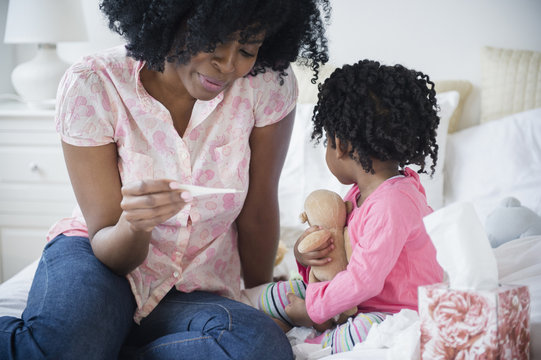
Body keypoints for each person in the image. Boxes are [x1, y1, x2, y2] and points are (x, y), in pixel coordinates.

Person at [0, 1, 331, 359]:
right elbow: (108, 246)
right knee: (69, 347)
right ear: (170, 18)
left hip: (196, 286)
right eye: (214, 40)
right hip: (102, 260)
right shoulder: (95, 84)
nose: (229, 64)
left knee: (259, 344)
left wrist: (262, 298)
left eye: (247, 49)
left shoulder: (267, 83)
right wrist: (135, 225)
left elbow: (259, 208)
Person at [259, 59, 444, 354]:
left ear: (341, 145)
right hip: (354, 303)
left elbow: (364, 280)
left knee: (365, 331)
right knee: (276, 294)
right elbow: (340, 259)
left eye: (328, 142)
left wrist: (313, 309)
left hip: (395, 311)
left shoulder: (393, 203)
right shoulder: (359, 194)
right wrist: (306, 259)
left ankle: (310, 337)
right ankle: (297, 321)